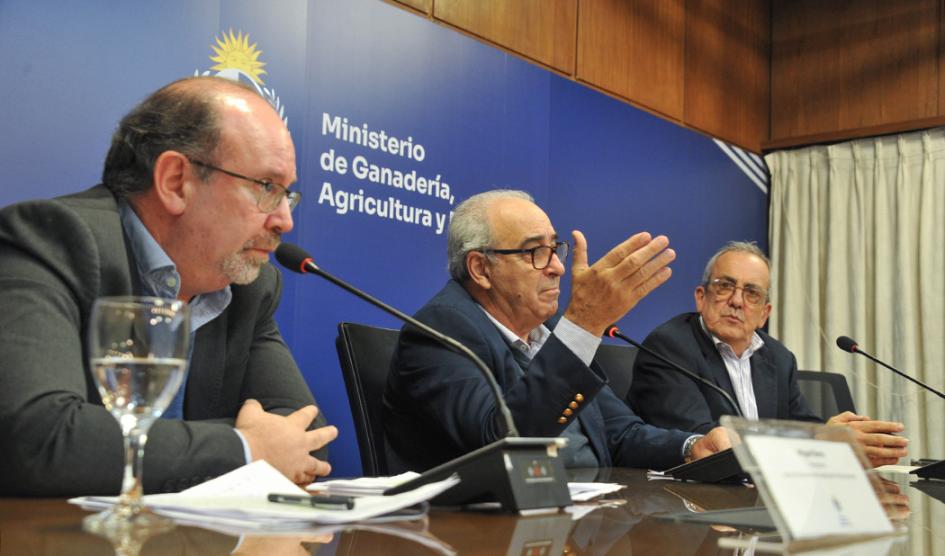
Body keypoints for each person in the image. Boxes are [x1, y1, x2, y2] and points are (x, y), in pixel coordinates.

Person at [0, 76, 337, 496]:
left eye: (288, 194)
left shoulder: (249, 286)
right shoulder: (54, 241)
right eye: (267, 187)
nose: (284, 220)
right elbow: (39, 437)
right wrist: (245, 448)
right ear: (176, 181)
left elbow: (305, 436)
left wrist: (254, 447)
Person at [383, 189, 730, 473]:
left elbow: (618, 432)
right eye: (535, 251)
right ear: (481, 269)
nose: (557, 267)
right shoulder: (441, 330)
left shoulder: (548, 331)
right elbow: (501, 446)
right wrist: (583, 326)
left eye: (554, 249)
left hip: (587, 515)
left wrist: (691, 447)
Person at [627, 241, 909, 467]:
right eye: (725, 286)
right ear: (701, 297)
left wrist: (838, 439)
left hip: (759, 498)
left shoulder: (778, 358)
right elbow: (709, 443)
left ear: (765, 313)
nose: (737, 301)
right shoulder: (670, 346)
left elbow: (799, 425)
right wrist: (820, 440)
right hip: (689, 502)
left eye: (752, 293)